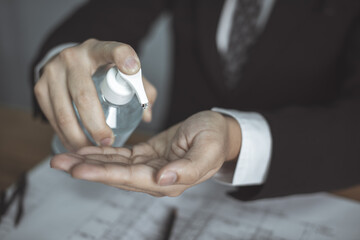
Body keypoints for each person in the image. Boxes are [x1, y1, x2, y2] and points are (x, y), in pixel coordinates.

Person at [32, 0, 360, 200]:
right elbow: (108, 14)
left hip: (308, 181)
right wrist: (66, 62)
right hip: (168, 161)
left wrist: (235, 138)